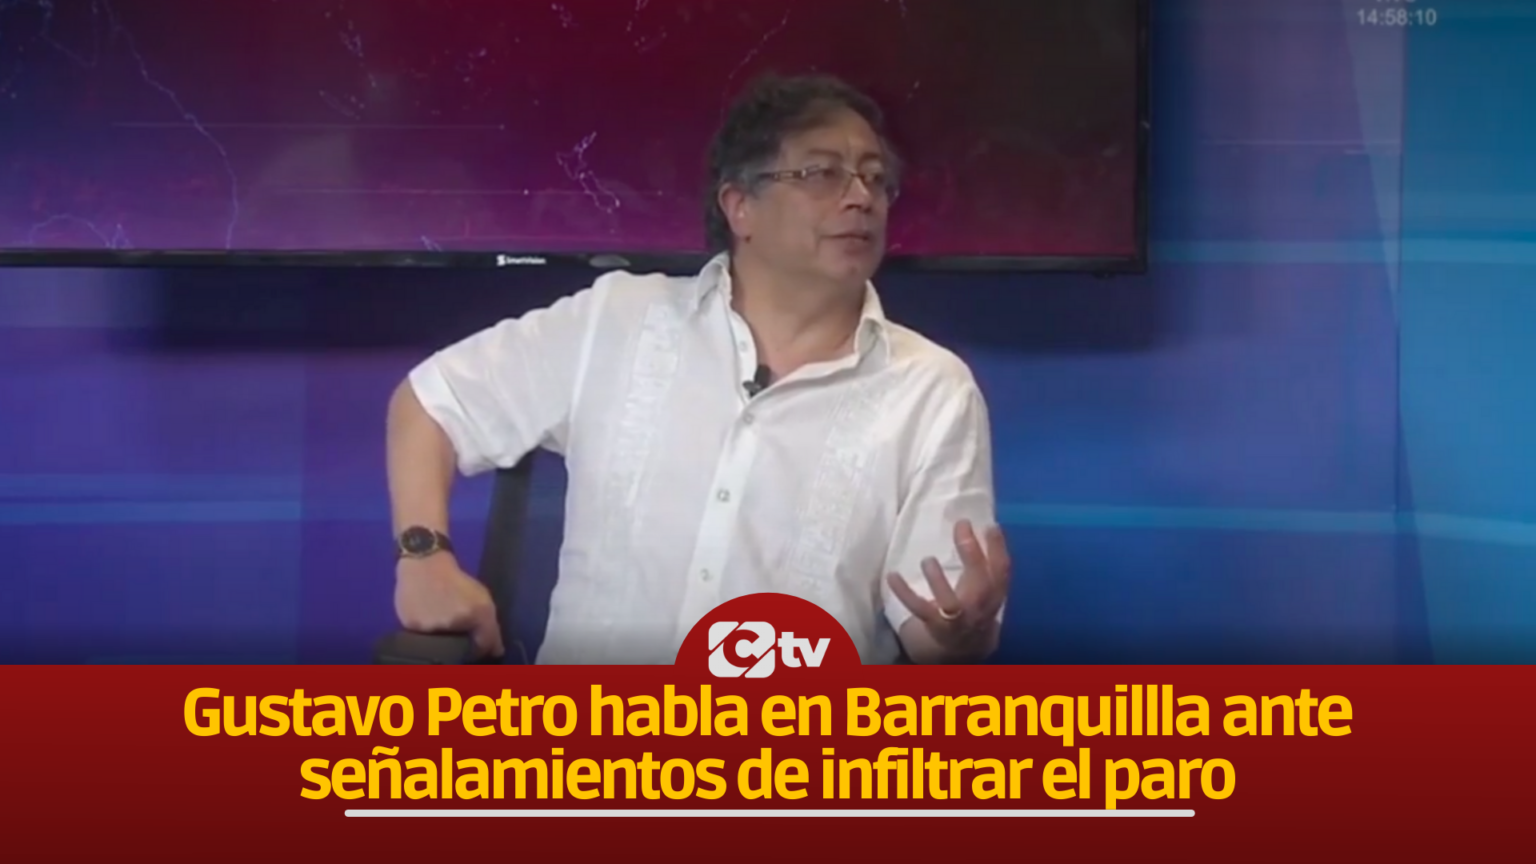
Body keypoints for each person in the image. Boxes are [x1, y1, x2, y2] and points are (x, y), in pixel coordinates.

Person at [386, 73, 1010, 665]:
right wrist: (423, 556)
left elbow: (936, 627)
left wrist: (962, 631)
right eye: (822, 173)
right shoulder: (620, 318)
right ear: (740, 207)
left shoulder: (931, 390)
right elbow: (430, 404)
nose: (860, 197)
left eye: (874, 178)